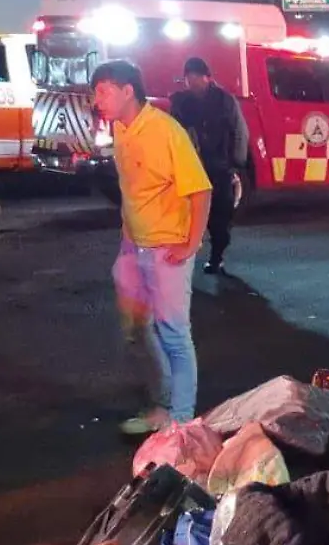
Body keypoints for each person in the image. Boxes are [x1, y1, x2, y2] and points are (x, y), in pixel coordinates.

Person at [92, 60, 211, 436]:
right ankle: (163, 405)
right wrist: (127, 241)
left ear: (128, 91)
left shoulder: (165, 130)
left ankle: (181, 420)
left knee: (174, 333)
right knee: (144, 329)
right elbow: (132, 189)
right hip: (136, 245)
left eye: (104, 91)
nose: (97, 100)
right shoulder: (120, 128)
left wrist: (191, 244)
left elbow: (201, 190)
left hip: (167, 248)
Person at [170, 56, 250, 275]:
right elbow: (173, 133)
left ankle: (217, 257)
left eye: (196, 77)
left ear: (208, 78)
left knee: (219, 216)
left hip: (219, 167)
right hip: (191, 167)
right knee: (184, 216)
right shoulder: (181, 102)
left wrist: (235, 164)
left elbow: (239, 132)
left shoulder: (225, 101)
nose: (192, 82)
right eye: (188, 77)